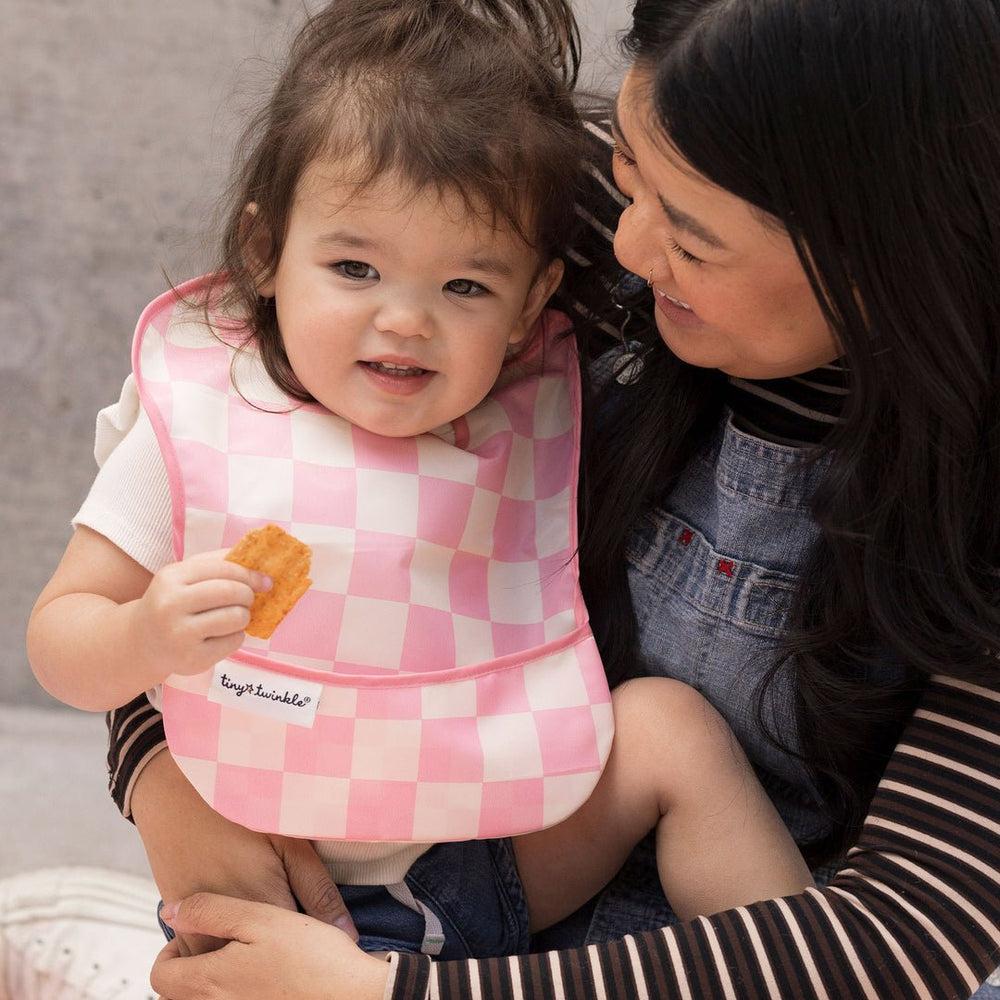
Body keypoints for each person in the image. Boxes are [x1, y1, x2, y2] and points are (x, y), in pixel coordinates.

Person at [107, 0, 1000, 996]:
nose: (628, 249)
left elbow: (909, 932)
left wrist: (390, 994)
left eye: (693, 239)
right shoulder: (533, 215)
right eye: (629, 172)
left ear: (885, 247)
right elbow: (226, 475)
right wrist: (167, 776)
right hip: (476, 860)